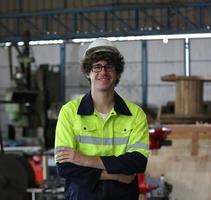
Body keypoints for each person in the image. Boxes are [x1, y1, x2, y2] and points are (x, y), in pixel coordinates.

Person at [54, 38, 149, 200]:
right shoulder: (69, 112)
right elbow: (65, 168)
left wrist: (83, 159)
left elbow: (137, 162)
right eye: (97, 66)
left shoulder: (135, 114)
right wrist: (115, 175)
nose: (103, 72)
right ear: (87, 72)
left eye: (109, 66)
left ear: (117, 72)